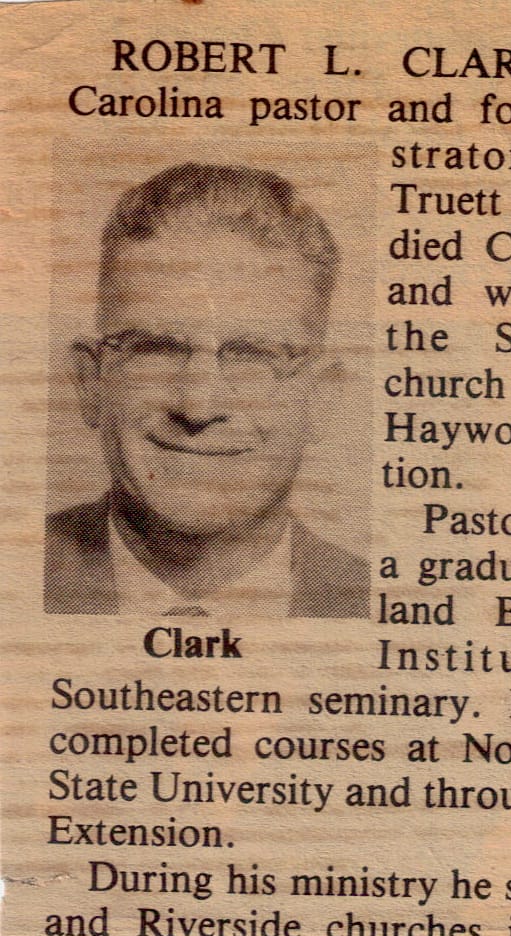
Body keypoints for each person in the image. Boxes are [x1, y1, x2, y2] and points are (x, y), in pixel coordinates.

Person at [44, 162, 369, 617]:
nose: (198, 406)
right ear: (91, 382)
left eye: (252, 355)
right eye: (156, 348)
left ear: (320, 397)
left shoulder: (378, 601)